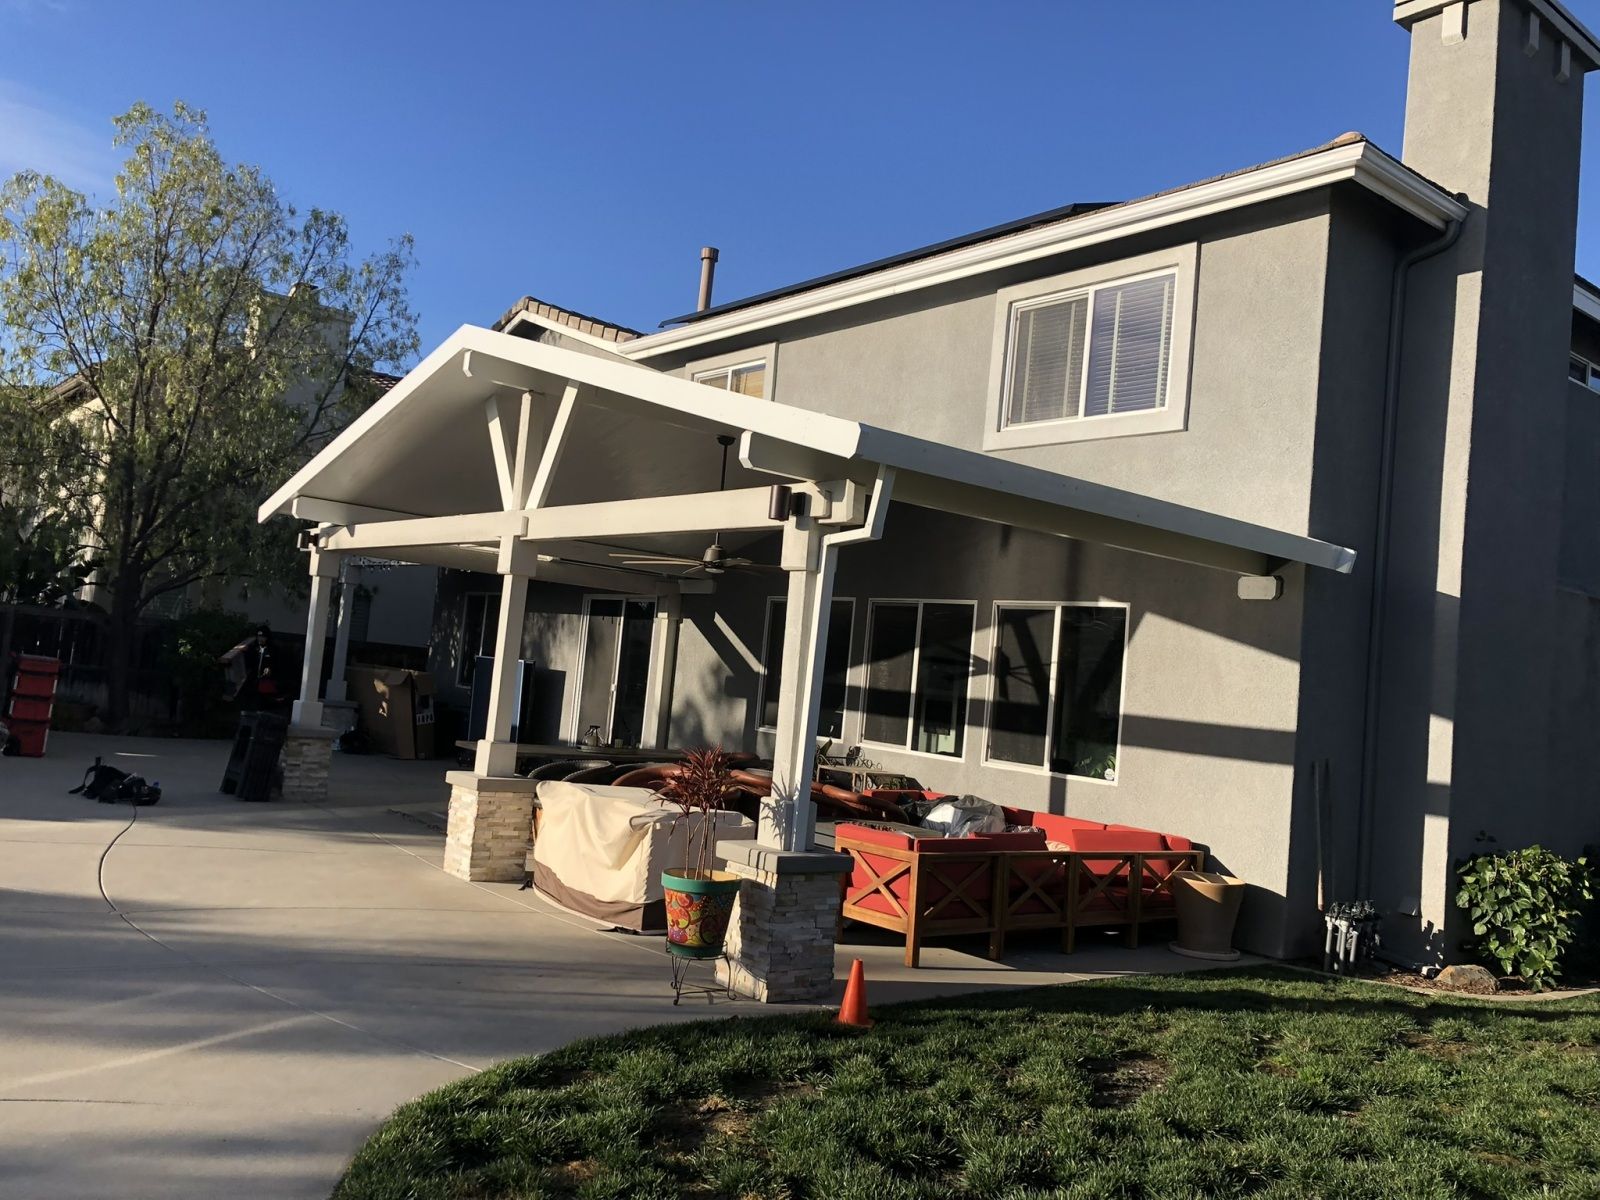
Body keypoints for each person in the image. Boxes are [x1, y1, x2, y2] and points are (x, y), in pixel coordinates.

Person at [221, 625, 281, 710]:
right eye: (259, 637)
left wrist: (270, 670)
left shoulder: (273, 649)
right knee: (248, 699)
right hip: (253, 680)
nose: (261, 639)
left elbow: (276, 663)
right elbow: (247, 662)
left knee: (262, 702)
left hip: (267, 680)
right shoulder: (254, 648)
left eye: (263, 637)